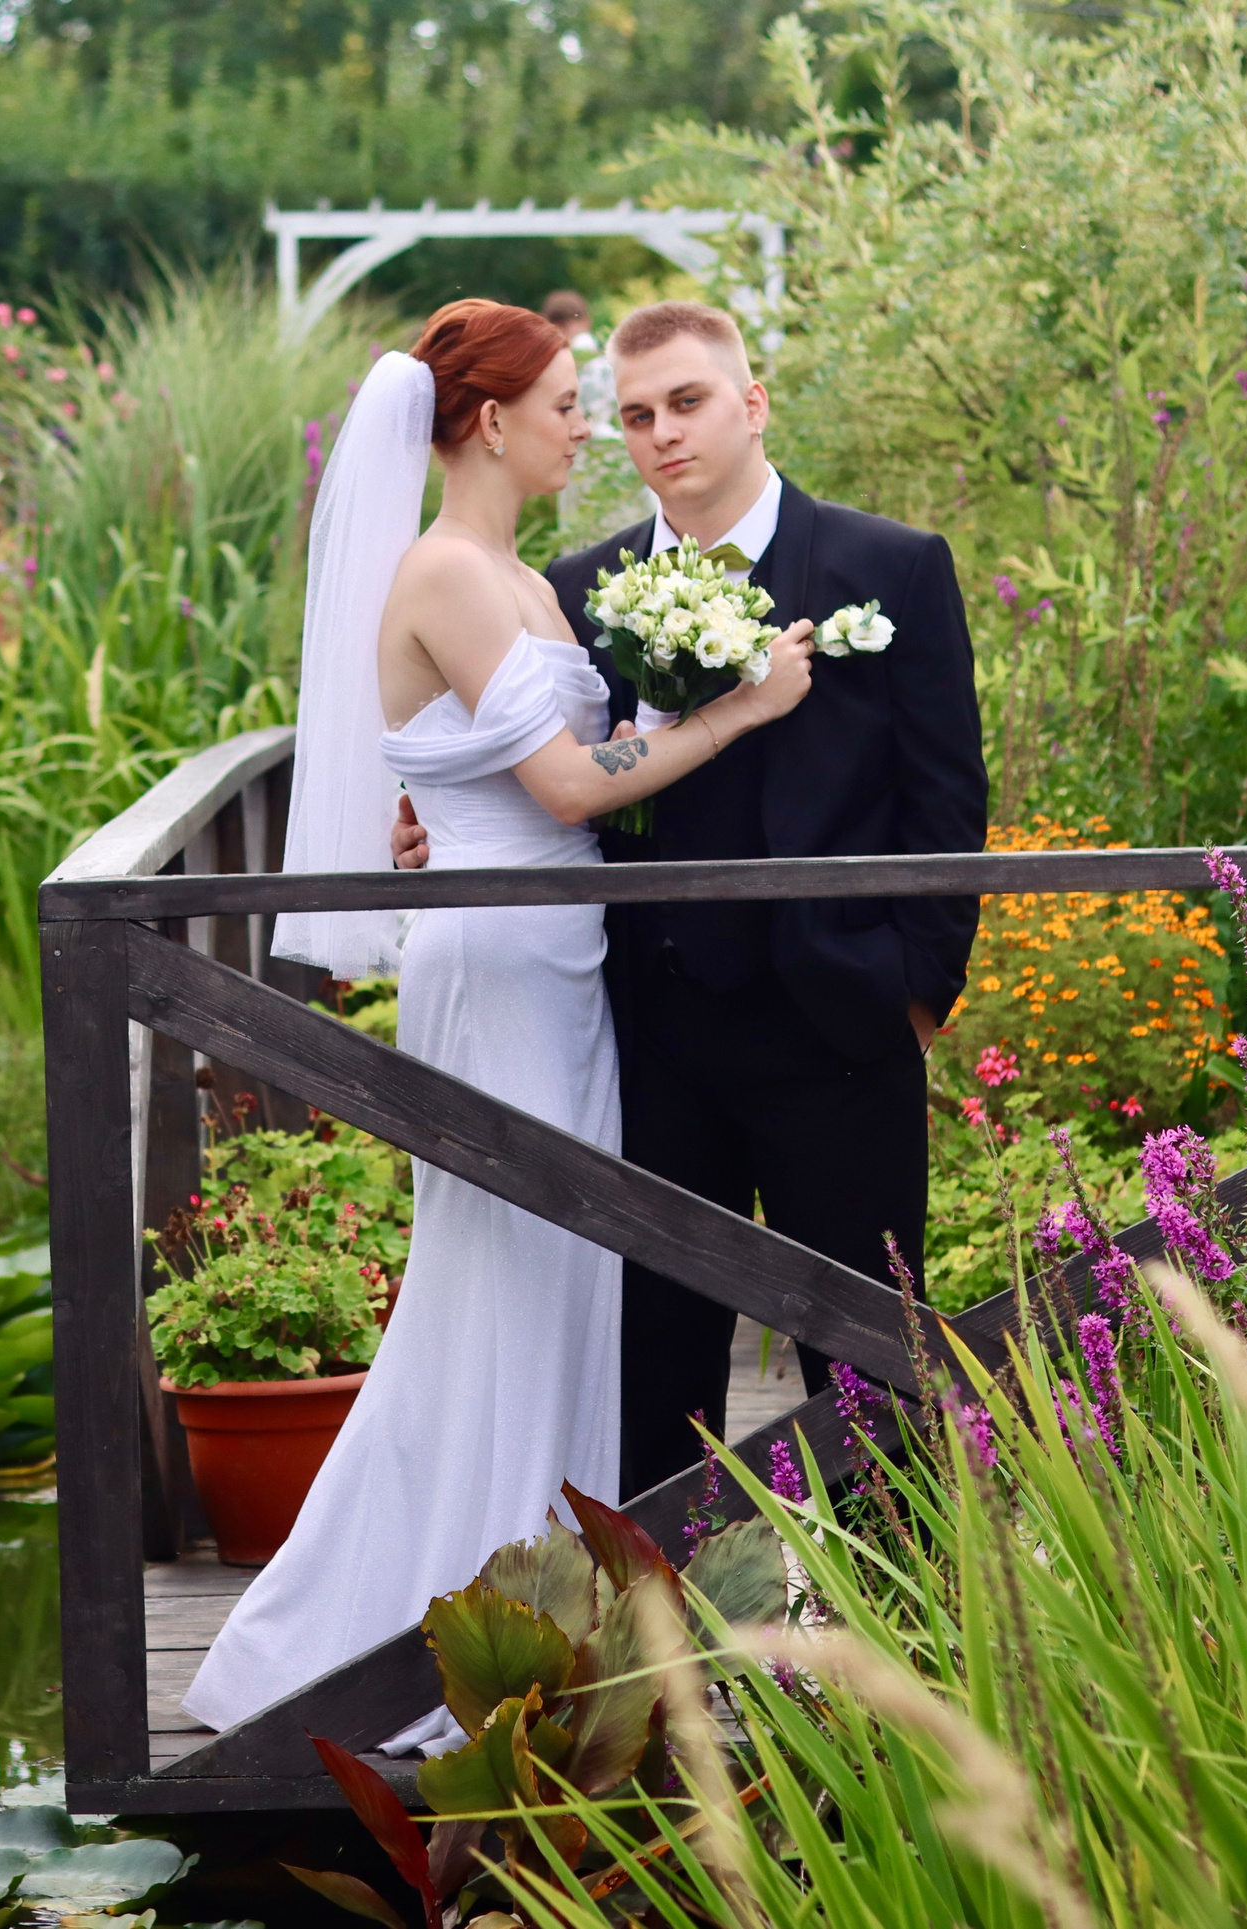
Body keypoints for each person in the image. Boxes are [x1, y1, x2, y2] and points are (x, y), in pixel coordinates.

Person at [180, 299, 817, 1743]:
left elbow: (568, 755)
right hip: (499, 970)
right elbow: (575, 791)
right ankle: (406, 1628)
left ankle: (548, 1612)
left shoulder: (520, 577)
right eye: (568, 406)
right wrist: (750, 707)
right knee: (504, 1281)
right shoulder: (451, 574)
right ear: (490, 424)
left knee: (569, 1285)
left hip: (561, 957)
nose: (590, 428)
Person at [393, 300, 988, 1498]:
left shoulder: (889, 567)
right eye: (633, 416)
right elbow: (547, 765)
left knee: (871, 1363)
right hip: (646, 1039)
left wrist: (915, 995)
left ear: (751, 403)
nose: (662, 433)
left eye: (688, 402)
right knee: (655, 1367)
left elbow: (947, 800)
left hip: (841, 1030)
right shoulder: (580, 585)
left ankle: (904, 1651)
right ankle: (676, 1651)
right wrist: (432, 824)